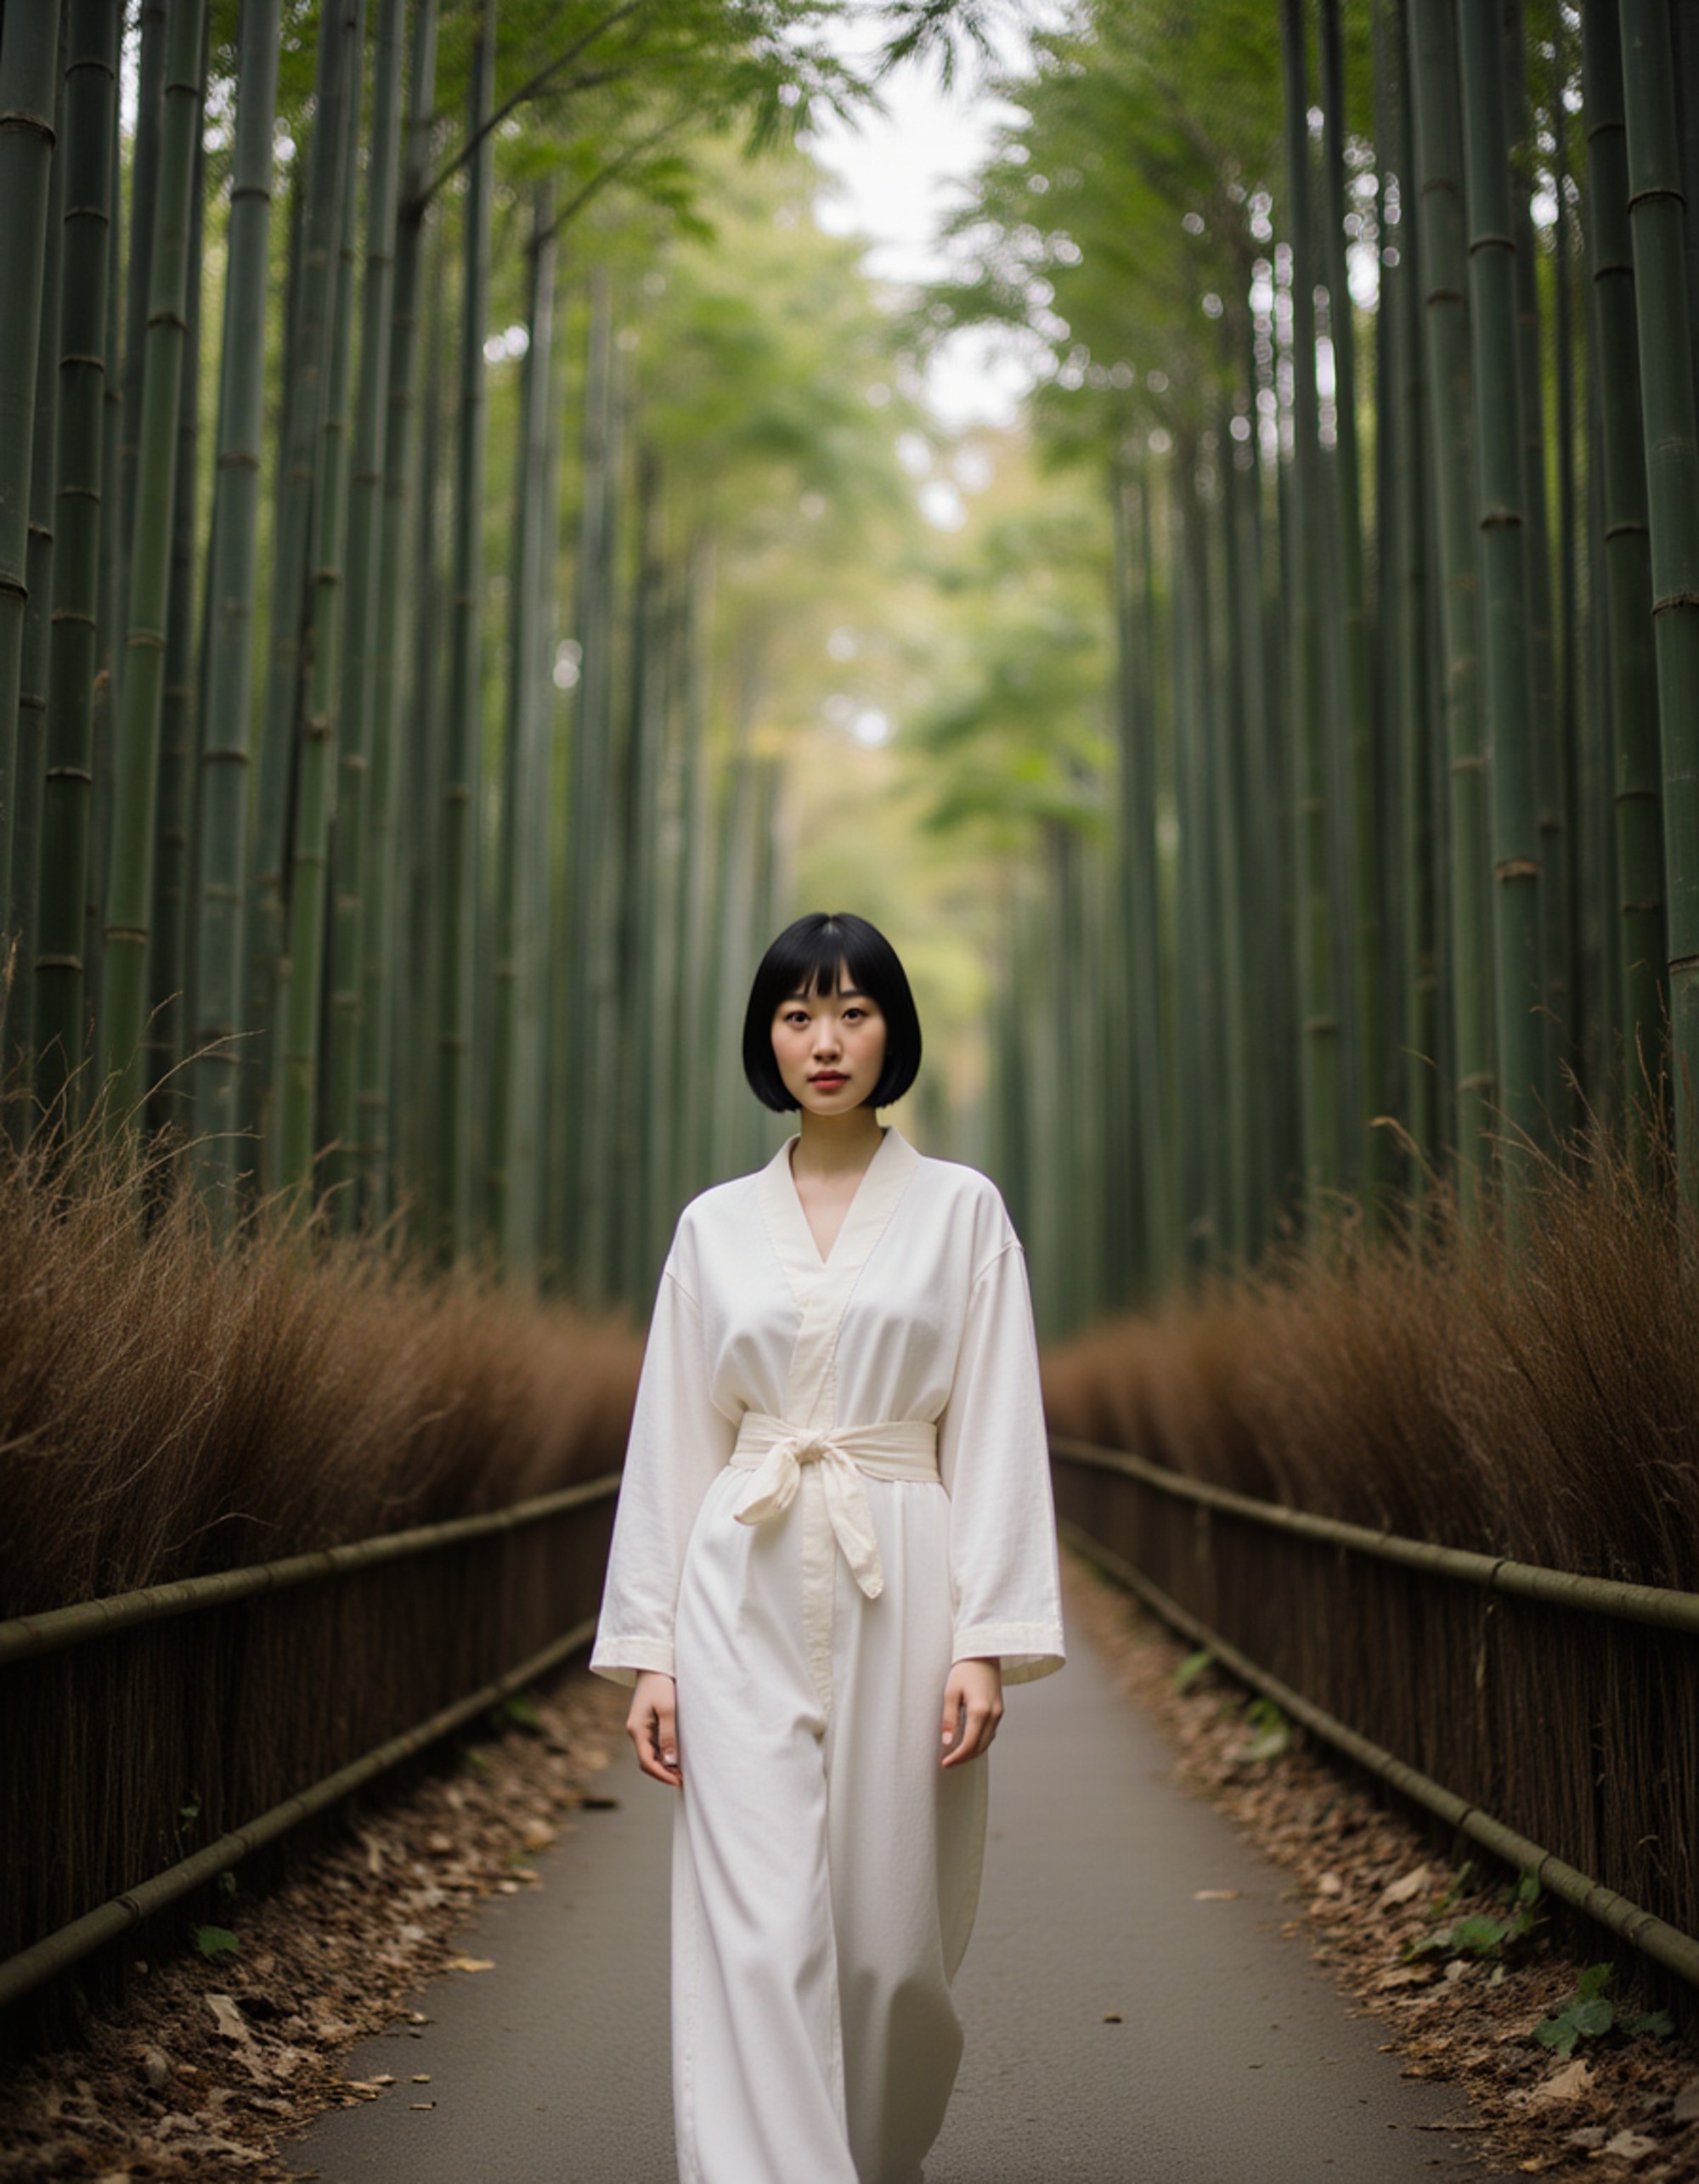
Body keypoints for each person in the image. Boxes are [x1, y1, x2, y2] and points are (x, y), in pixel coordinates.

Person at [589, 910, 1065, 2184]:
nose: (826, 1039)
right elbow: (672, 1440)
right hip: (739, 1568)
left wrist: (987, 1640)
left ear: (892, 1030)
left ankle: (870, 2155)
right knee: (756, 1925)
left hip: (901, 1560)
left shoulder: (964, 1211)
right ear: (768, 1039)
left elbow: (1002, 1424)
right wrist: (652, 1654)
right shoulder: (713, 1226)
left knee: (888, 1944)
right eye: (799, 1014)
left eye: (854, 1011)